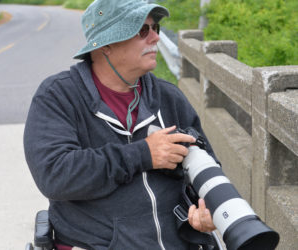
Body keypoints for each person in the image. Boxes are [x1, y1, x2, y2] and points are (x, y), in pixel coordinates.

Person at [24, 0, 218, 249]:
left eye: (155, 28)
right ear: (107, 44)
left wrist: (204, 208)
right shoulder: (58, 96)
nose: (155, 38)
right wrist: (142, 154)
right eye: (142, 30)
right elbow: (54, 174)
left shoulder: (169, 98)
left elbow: (208, 166)